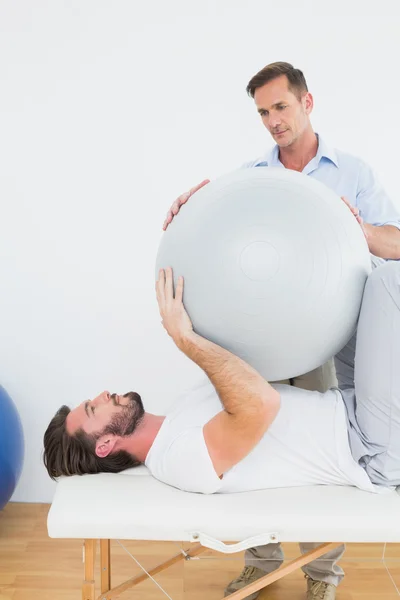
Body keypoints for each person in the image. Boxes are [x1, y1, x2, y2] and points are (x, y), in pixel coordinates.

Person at [160, 61, 400, 599]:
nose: (273, 120)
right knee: (256, 449)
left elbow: (397, 244)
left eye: (281, 107)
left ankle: (320, 574)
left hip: (338, 331)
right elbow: (223, 242)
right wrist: (187, 210)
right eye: (263, 112)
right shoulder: (252, 179)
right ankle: (261, 562)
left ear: (307, 102)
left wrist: (357, 229)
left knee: (328, 459)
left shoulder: (353, 172)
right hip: (267, 341)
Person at [44, 263, 400, 600]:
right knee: (389, 281)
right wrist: (183, 338)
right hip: (370, 444)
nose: (102, 394)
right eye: (94, 408)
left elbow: (242, 371)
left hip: (351, 406)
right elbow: (261, 403)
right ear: (105, 443)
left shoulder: (179, 412)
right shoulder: (177, 460)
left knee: (359, 274)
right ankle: (290, 570)